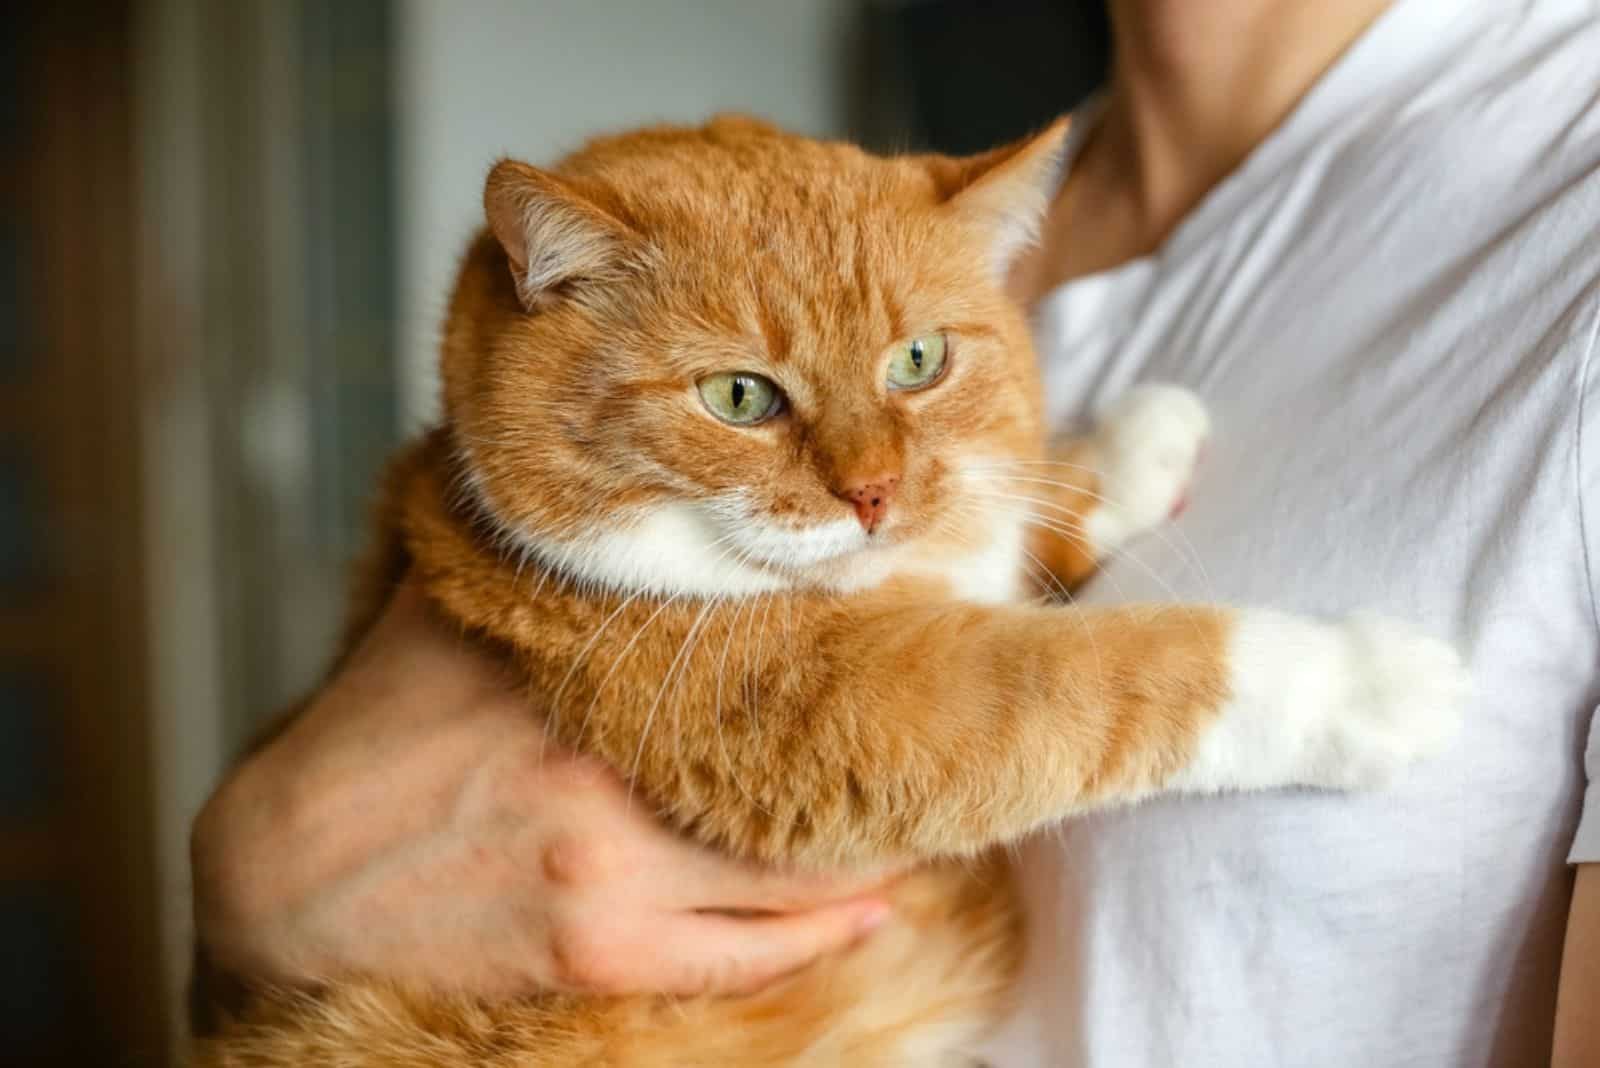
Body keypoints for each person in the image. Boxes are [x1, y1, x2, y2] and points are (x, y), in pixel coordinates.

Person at [191, 0, 1600, 1063]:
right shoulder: (936, 203)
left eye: (921, 372)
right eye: (748, 399)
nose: (867, 481)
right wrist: (255, 879)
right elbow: (858, 709)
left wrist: (262, 868)